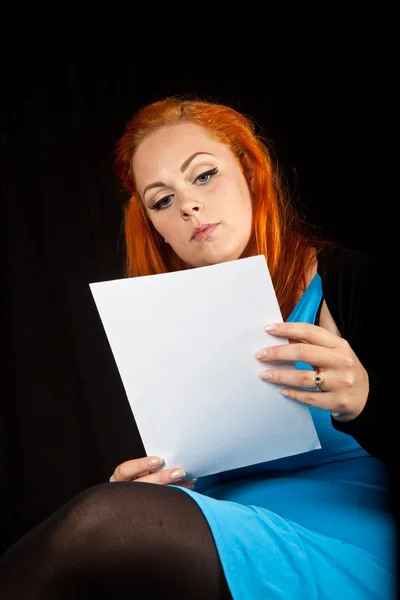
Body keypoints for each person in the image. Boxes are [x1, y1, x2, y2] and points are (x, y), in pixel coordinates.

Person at [0, 96, 395, 599]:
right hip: (220, 530)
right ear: (156, 227)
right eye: (162, 200)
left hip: (342, 540)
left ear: (250, 174)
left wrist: (364, 399)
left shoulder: (350, 282)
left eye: (204, 176)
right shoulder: (161, 325)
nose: (188, 205)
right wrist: (157, 490)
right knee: (114, 516)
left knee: (103, 521)